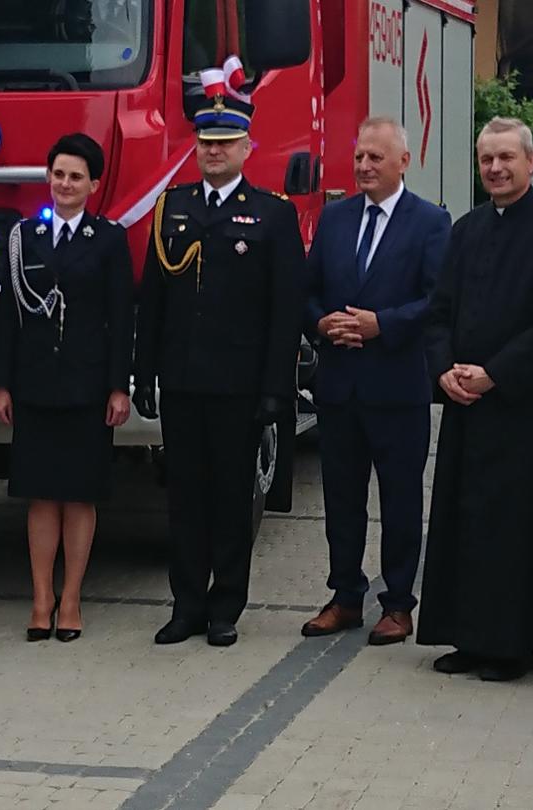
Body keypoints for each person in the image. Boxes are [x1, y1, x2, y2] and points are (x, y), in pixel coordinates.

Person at [416, 117, 533, 681]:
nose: (495, 168)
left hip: (522, 409)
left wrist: (493, 374)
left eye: (506, 158)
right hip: (466, 407)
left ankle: (511, 645)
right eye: (486, 159)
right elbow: (439, 310)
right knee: (464, 522)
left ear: (530, 162)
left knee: (513, 528)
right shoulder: (465, 230)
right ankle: (467, 637)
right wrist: (444, 369)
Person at [134, 88, 304, 647]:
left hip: (241, 385)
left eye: (226, 143)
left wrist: (278, 389)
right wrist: (145, 372)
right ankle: (186, 605)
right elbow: (154, 298)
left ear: (247, 147)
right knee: (184, 498)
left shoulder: (274, 214)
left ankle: (226, 604)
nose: (215, 152)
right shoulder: (172, 207)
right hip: (183, 380)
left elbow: (285, 312)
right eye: (207, 143)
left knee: (232, 498)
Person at [299, 117, 449, 645]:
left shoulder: (430, 223)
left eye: (375, 158)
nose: (363, 166)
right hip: (340, 388)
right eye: (359, 156)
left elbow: (436, 301)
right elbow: (308, 288)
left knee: (401, 500)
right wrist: (321, 322)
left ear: (403, 162)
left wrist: (380, 324)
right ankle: (344, 596)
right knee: (341, 499)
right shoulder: (336, 218)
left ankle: (399, 603)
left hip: (398, 389)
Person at [0, 134, 134, 643]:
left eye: (76, 176)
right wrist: (2, 385)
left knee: (78, 496)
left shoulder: (109, 239)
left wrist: (119, 387)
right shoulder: (22, 237)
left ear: (93, 185)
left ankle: (71, 598)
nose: (65, 184)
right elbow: (7, 319)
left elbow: (121, 319)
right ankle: (40, 599)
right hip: (34, 385)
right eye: (58, 174)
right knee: (39, 496)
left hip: (88, 387)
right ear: (47, 178)